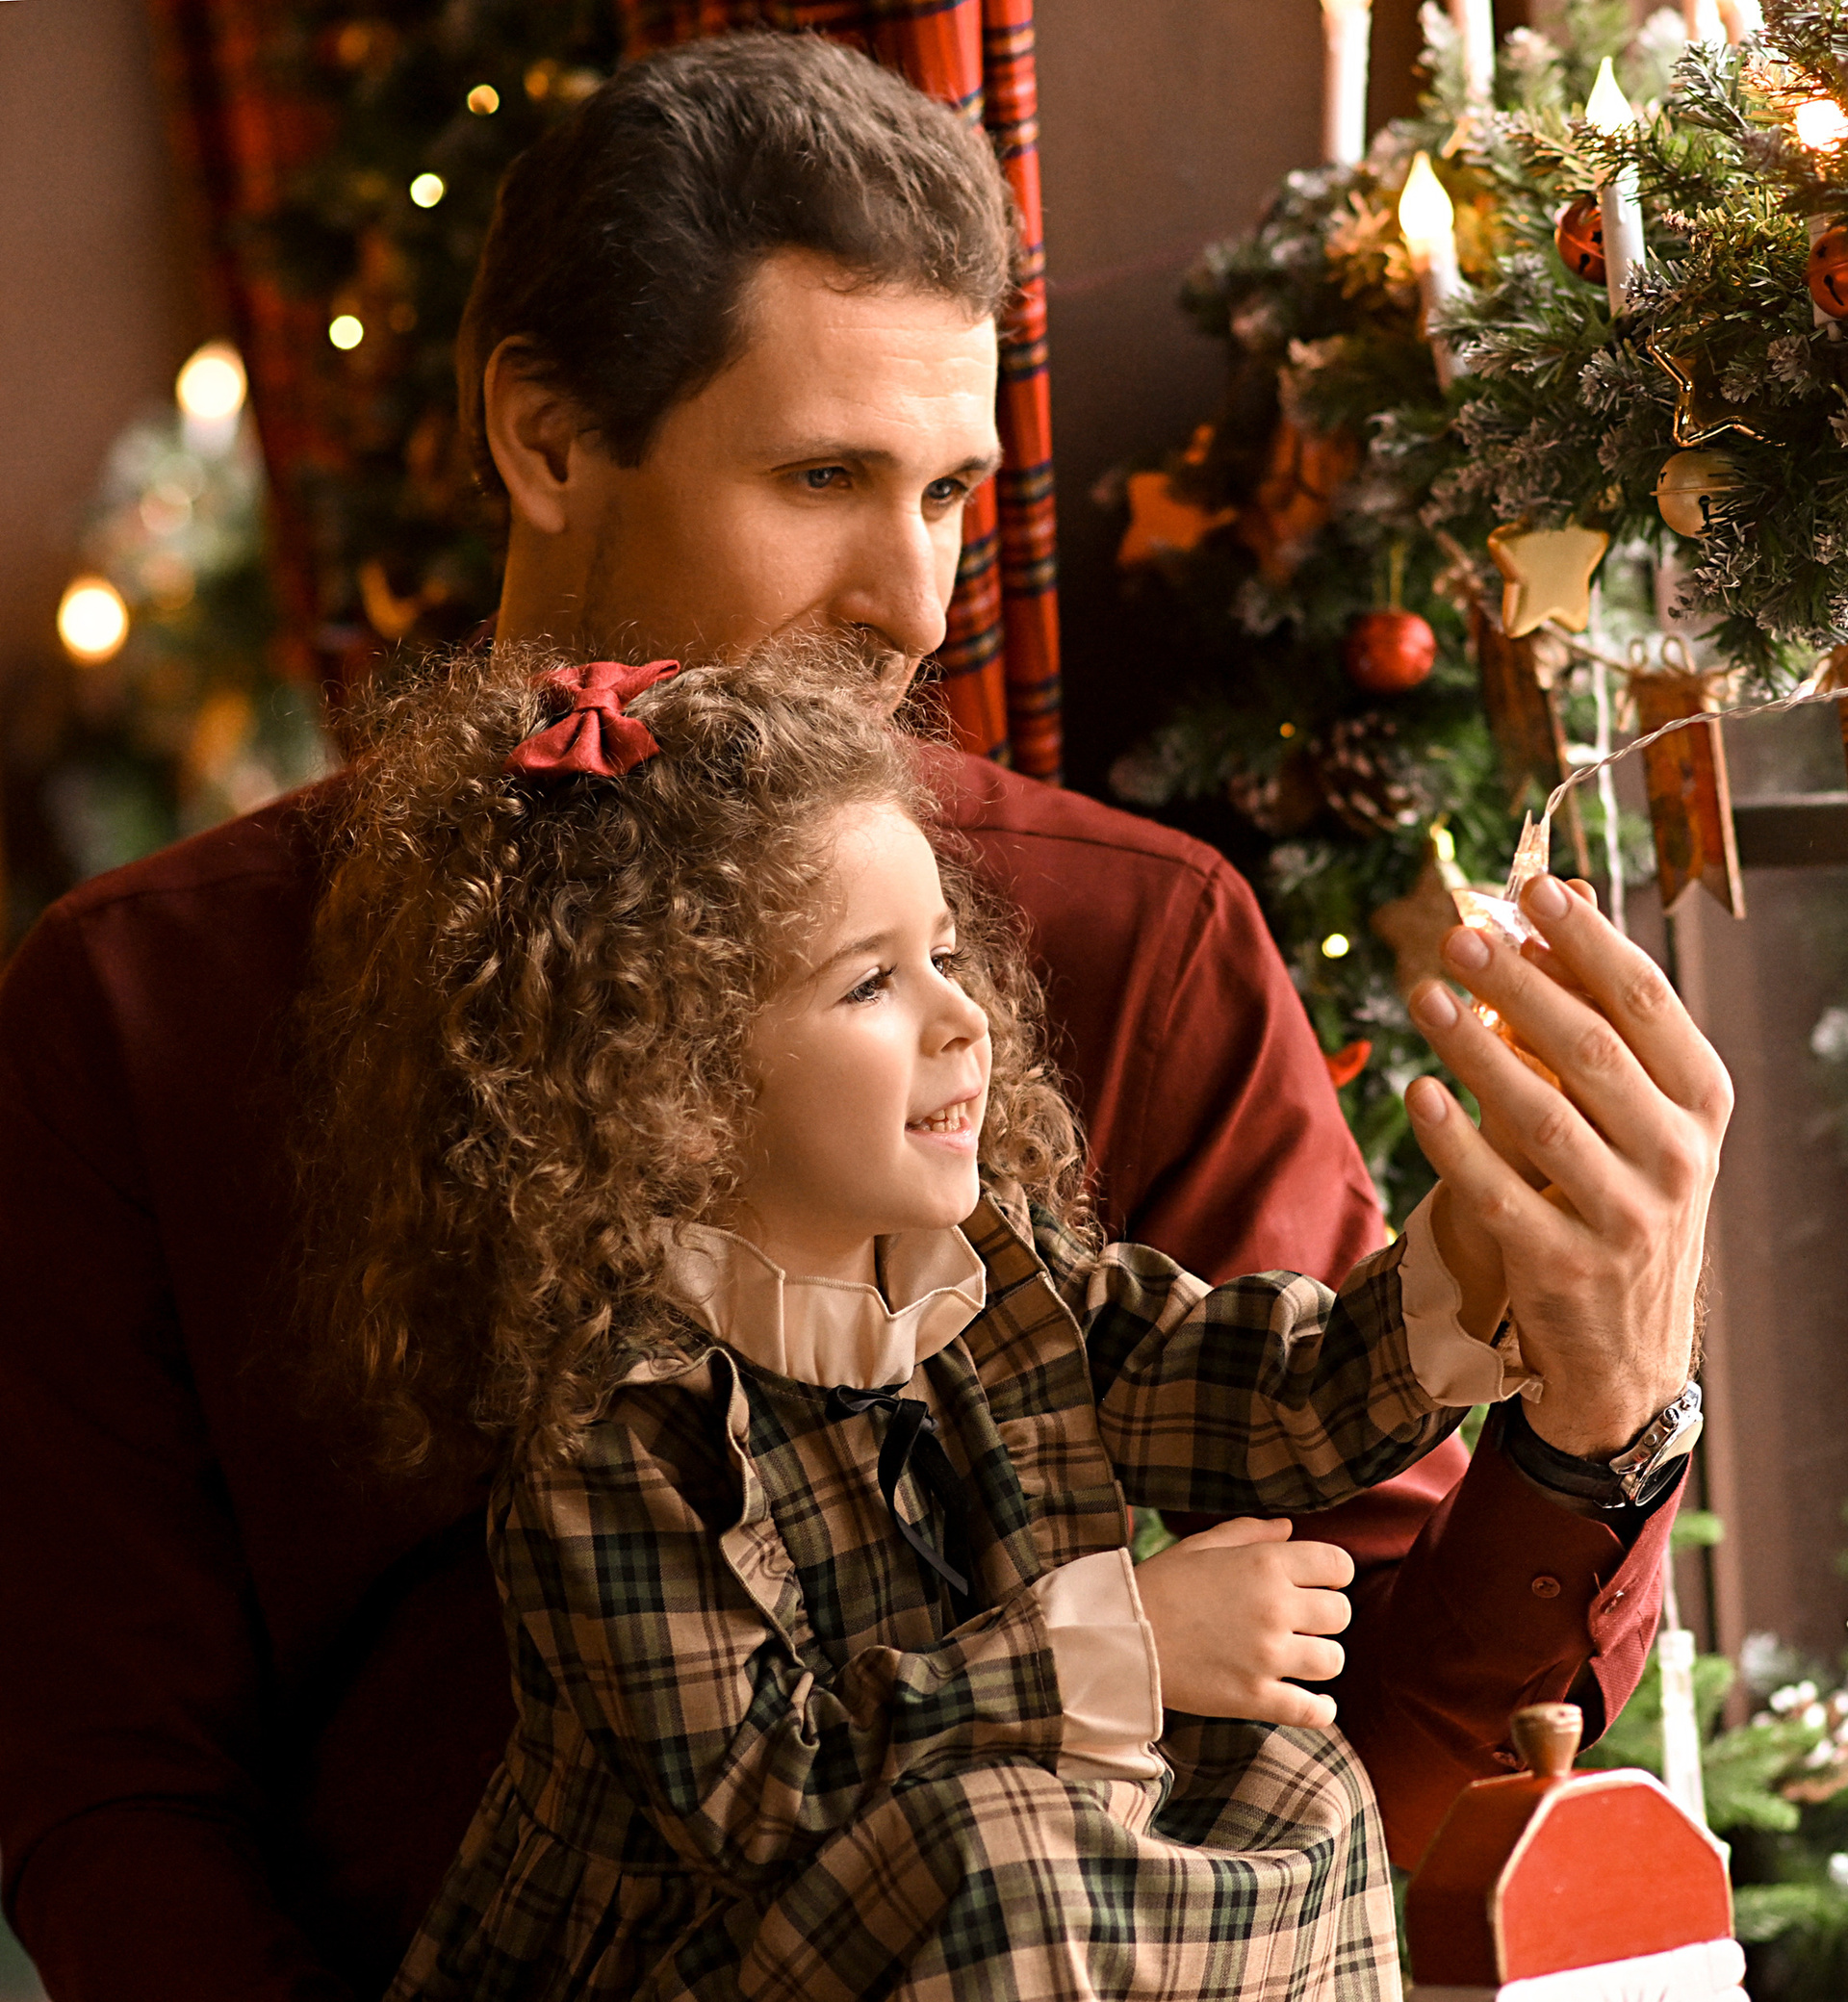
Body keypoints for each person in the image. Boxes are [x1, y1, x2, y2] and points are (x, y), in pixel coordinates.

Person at [0, 33, 1728, 2000]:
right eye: (822, 478)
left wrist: (1593, 1403)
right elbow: (116, 1793)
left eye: (948, 493)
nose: (912, 601)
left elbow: (1400, 1698)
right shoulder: (146, 1001)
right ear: (548, 439)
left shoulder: (1123, 938)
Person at [303, 640, 1679, 2002]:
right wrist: (1128, 1644)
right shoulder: (630, 1434)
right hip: (719, 1948)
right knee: (1002, 1858)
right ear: (676, 1066)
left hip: (996, 1869)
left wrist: (1477, 1259)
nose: (965, 1020)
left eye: (947, 957)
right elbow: (763, 1789)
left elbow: (1254, 1396)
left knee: (1295, 1777)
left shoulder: (988, 1277)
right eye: (869, 983)